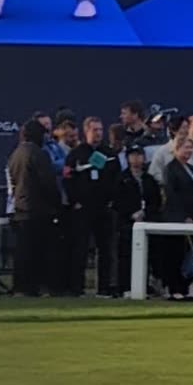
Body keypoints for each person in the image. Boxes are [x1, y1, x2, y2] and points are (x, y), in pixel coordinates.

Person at [65, 116, 120, 297]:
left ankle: (104, 288)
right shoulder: (76, 154)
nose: (98, 134)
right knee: (79, 248)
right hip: (83, 210)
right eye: (94, 130)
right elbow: (68, 180)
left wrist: (111, 200)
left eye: (100, 130)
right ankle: (76, 288)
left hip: (103, 208)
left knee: (105, 249)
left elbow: (116, 178)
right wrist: (75, 201)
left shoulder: (109, 154)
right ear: (86, 131)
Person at [8, 120, 61, 297]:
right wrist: (57, 203)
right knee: (40, 252)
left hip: (20, 208)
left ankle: (21, 288)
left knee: (23, 251)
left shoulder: (15, 154)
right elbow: (47, 182)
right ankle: (38, 286)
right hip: (38, 209)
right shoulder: (38, 154)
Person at [160, 137, 193, 301]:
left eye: (191, 148)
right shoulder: (170, 169)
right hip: (175, 219)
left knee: (189, 254)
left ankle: (187, 288)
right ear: (176, 149)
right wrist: (183, 217)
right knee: (175, 254)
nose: (188, 151)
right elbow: (172, 196)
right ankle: (174, 289)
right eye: (185, 148)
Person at [113, 144, 161, 295]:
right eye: (133, 156)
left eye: (139, 155)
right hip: (127, 223)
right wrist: (131, 214)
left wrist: (145, 212)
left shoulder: (149, 179)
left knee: (146, 255)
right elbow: (117, 201)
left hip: (146, 222)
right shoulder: (122, 179)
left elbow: (156, 201)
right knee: (126, 255)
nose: (136, 159)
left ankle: (144, 285)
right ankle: (126, 287)